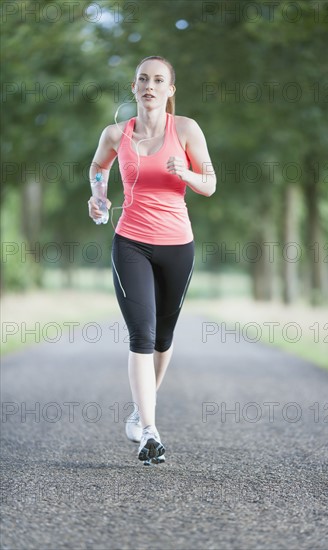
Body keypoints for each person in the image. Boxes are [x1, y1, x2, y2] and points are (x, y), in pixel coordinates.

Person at [88, 56, 216, 464]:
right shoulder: (115, 134)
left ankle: (141, 410)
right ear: (133, 87)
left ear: (170, 90)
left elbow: (210, 183)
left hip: (178, 245)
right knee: (141, 335)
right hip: (131, 242)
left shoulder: (187, 129)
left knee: (163, 337)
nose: (150, 86)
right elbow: (97, 167)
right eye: (143, 79)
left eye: (159, 80)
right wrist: (98, 196)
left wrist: (188, 174)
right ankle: (149, 431)